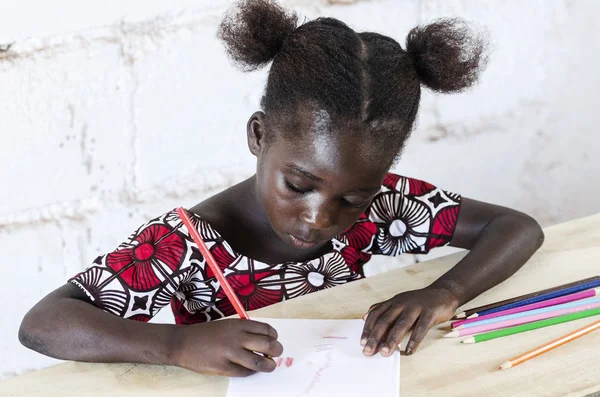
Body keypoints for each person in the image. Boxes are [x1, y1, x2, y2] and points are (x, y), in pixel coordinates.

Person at [19, 0, 544, 378]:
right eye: (298, 185)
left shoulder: (383, 207)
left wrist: (443, 293)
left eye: (353, 198)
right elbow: (44, 324)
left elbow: (516, 228)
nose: (319, 217)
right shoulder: (183, 245)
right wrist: (176, 343)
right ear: (258, 136)